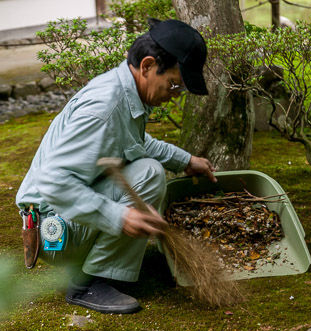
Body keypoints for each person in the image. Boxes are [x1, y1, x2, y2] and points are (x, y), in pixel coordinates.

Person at [16, 19, 217, 314]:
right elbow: (53, 181)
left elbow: (135, 142)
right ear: (147, 66)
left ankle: (101, 266)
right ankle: (87, 283)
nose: (177, 92)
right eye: (176, 82)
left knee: (148, 169)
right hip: (53, 231)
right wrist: (118, 216)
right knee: (150, 175)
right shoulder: (104, 108)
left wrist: (185, 160)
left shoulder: (124, 92)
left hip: (62, 218)